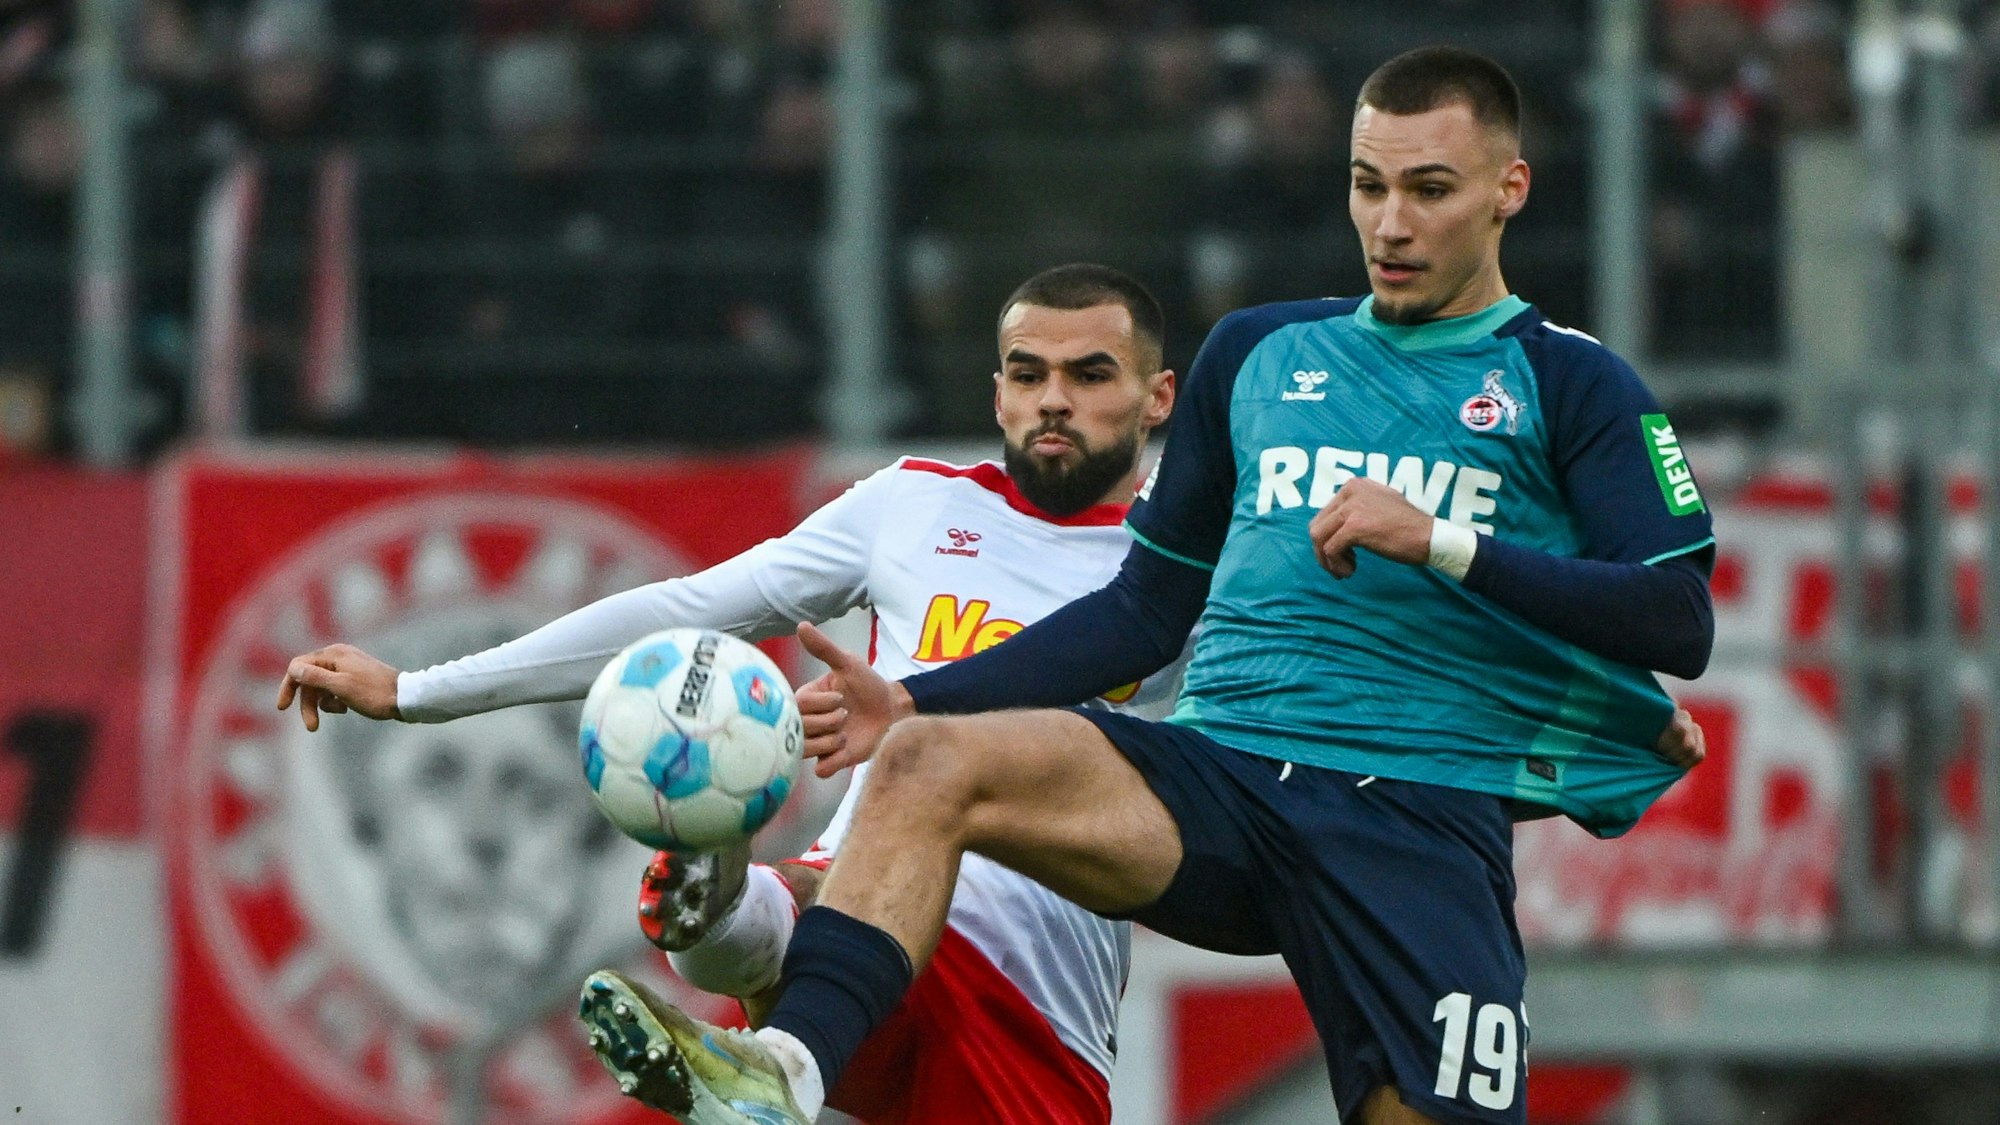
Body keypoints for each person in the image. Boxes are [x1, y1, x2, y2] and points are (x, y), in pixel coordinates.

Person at [602, 46, 1717, 1125]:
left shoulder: (1571, 382)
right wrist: (914, 700)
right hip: (1222, 776)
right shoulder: (1257, 354)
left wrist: (1439, 543)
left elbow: (1672, 614)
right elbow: (1144, 608)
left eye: (1429, 190)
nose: (1390, 222)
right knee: (924, 761)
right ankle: (779, 1073)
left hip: (1415, 828)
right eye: (1367, 186)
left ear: (1506, 189)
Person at [277, 263, 1185, 1124]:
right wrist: (417, 689)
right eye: (1028, 374)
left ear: (1159, 398)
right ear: (997, 395)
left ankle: (728, 913)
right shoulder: (915, 507)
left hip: (1034, 991)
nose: (1053, 398)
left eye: (1090, 373)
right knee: (798, 909)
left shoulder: (1193, 575)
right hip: (865, 911)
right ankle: (717, 878)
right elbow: (685, 609)